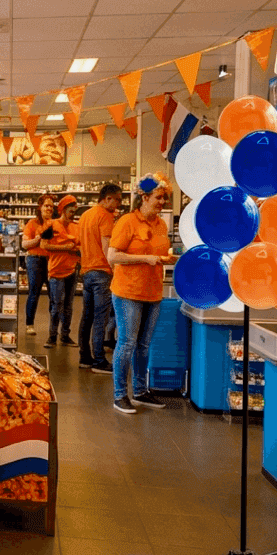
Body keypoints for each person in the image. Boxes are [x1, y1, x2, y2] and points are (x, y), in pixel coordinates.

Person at [107, 174, 175, 415]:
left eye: (164, 198)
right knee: (126, 344)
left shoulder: (161, 224)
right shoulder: (127, 222)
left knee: (144, 345)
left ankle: (140, 391)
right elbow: (112, 256)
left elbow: (158, 253)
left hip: (152, 291)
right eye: (158, 198)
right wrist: (144, 259)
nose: (162, 202)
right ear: (144, 197)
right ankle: (119, 396)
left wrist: (167, 259)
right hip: (128, 292)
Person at [77, 184, 122, 373]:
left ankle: (85, 357)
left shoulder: (85, 215)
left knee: (86, 317)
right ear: (107, 198)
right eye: (117, 199)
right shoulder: (105, 216)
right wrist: (115, 269)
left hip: (86, 271)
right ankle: (99, 361)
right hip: (102, 272)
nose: (119, 204)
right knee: (100, 319)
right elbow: (106, 247)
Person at [41, 195, 80, 349]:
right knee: (57, 305)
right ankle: (51, 337)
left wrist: (77, 251)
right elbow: (44, 245)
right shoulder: (50, 225)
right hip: (56, 272)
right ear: (63, 209)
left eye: (75, 211)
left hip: (72, 270)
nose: (73, 214)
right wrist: (65, 248)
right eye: (71, 211)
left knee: (69, 306)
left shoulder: (76, 227)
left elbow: (79, 246)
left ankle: (65, 336)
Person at [21, 195, 55, 336]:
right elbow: (24, 245)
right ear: (40, 207)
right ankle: (29, 324)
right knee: (33, 294)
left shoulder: (55, 224)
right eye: (46, 205)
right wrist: (38, 238)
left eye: (51, 206)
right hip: (35, 260)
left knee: (54, 295)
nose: (49, 209)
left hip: (52, 261)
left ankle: (53, 328)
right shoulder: (32, 223)